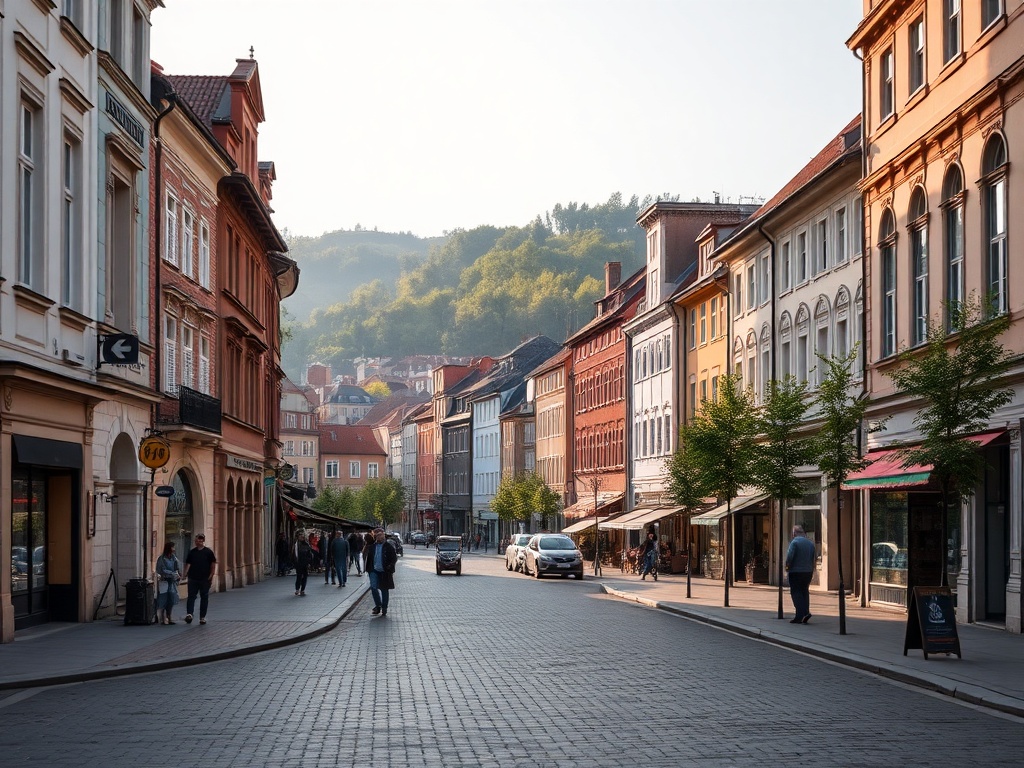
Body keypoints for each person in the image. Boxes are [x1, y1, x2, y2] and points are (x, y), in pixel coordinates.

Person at [181, 533, 217, 625]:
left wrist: (211, 575)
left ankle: (202, 617)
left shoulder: (208, 552)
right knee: (191, 596)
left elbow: (213, 564)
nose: (198, 542)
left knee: (204, 597)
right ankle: (189, 614)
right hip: (193, 578)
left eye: (200, 541)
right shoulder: (192, 552)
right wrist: (185, 574)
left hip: (205, 579)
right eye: (197, 541)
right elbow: (188, 564)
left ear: (203, 541)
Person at [362, 527, 397, 616]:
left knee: (384, 589)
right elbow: (366, 556)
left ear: (384, 537)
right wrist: (367, 568)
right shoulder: (372, 546)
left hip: (384, 570)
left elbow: (394, 558)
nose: (379, 539)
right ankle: (378, 605)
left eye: (381, 537)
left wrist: (390, 566)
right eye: (377, 537)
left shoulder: (388, 547)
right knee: (373, 587)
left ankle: (384, 607)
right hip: (373, 570)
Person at [785, 525, 817, 624]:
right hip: (808, 571)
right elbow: (814, 558)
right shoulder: (810, 543)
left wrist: (787, 568)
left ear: (794, 533)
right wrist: (812, 569)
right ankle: (805, 612)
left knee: (796, 592)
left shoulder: (794, 543)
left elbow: (790, 557)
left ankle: (800, 614)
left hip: (796, 571)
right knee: (804, 591)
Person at [154, 541, 181, 625]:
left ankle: (169, 616)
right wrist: (172, 573)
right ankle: (162, 617)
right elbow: (160, 569)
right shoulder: (162, 558)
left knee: (171, 598)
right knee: (163, 599)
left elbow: (177, 567)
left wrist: (178, 574)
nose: (174, 549)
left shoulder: (174, 558)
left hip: (172, 581)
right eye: (172, 547)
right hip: (164, 580)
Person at [293, 531, 313, 596]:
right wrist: (294, 563)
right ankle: (297, 589)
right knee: (299, 576)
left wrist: (309, 562)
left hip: (305, 563)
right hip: (298, 563)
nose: (302, 538)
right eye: (300, 536)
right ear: (298, 537)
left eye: (302, 537)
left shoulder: (307, 545)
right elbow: (293, 554)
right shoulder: (296, 545)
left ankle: (302, 590)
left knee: (305, 577)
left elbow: (310, 554)